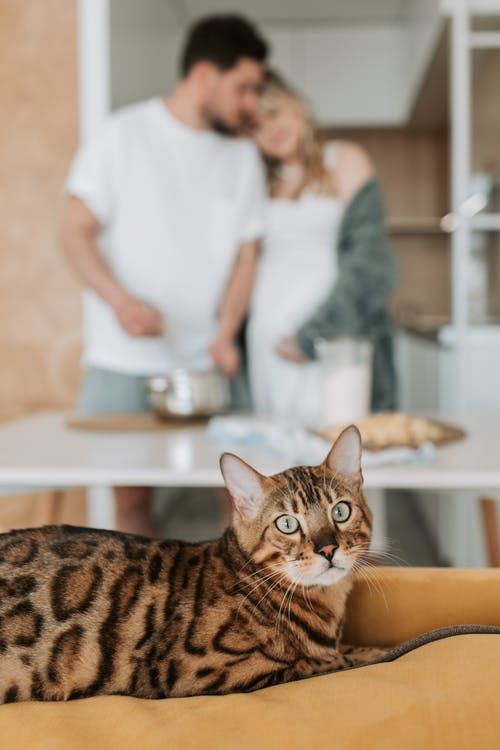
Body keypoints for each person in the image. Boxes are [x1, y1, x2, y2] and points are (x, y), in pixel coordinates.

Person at [61, 15, 268, 536]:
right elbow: (72, 232)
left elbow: (246, 256)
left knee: (246, 512)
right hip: (122, 363)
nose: (251, 104)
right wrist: (120, 301)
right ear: (205, 74)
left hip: (210, 366)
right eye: (244, 87)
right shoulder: (121, 135)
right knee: (128, 511)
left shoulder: (242, 157)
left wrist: (225, 334)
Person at [247, 71, 397, 425]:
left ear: (295, 107)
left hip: (334, 340)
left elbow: (370, 262)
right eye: (255, 126)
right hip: (268, 344)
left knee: (338, 449)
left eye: (274, 114)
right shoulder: (253, 180)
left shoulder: (344, 159)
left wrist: (312, 337)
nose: (269, 130)